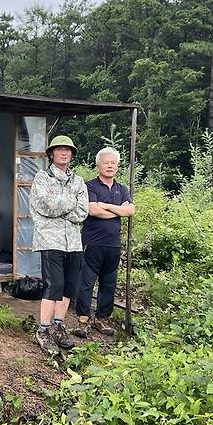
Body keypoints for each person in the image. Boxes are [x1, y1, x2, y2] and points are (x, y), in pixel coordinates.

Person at [29, 135, 88, 355]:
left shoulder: (78, 181)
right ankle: (43, 330)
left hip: (73, 241)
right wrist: (70, 201)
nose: (64, 153)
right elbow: (45, 205)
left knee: (69, 286)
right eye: (59, 149)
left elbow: (82, 212)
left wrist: (61, 205)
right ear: (51, 154)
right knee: (53, 285)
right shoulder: (42, 178)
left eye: (68, 150)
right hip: (50, 239)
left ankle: (58, 326)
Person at [73, 147, 135, 337]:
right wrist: (118, 210)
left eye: (113, 163)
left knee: (109, 283)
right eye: (106, 162)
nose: (109, 166)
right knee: (86, 282)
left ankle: (102, 318)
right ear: (98, 166)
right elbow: (93, 210)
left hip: (113, 243)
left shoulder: (121, 189)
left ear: (117, 166)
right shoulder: (90, 186)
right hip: (92, 242)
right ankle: (83, 319)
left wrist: (106, 206)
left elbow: (130, 211)